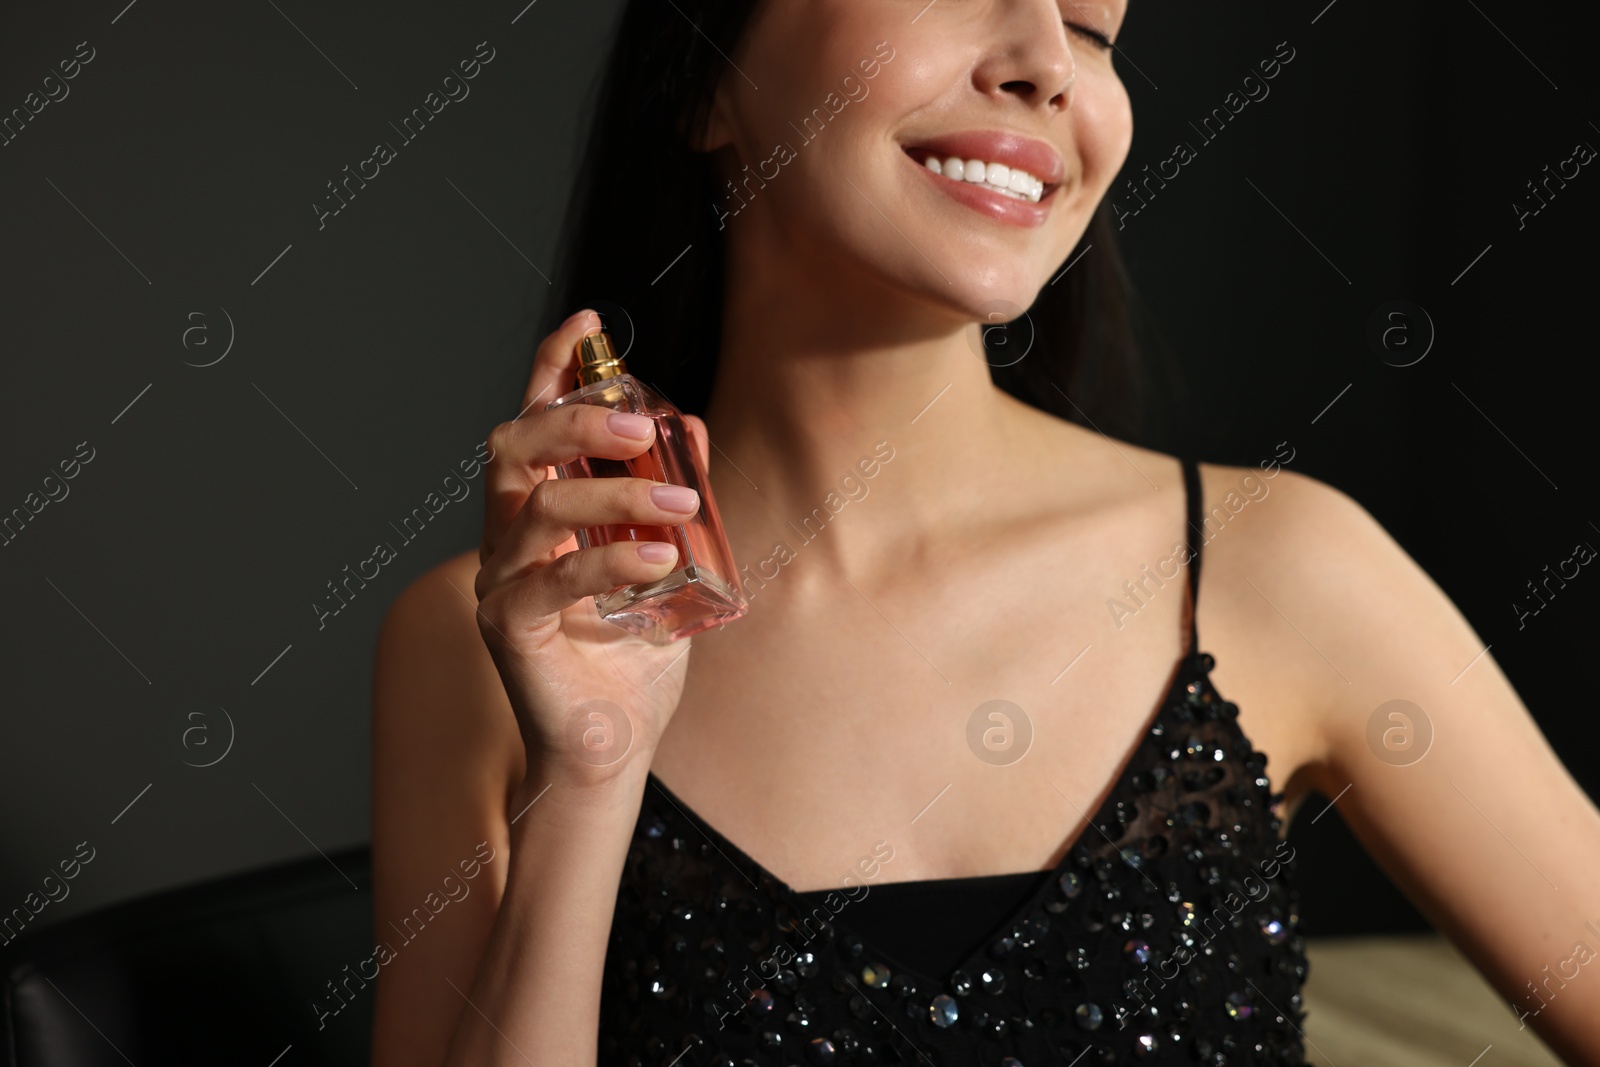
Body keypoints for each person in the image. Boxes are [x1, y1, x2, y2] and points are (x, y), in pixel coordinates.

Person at [367, 1, 1600, 1063]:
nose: (1045, 62)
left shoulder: (1279, 568)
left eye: (1092, 29)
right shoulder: (481, 642)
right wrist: (587, 779)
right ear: (701, 74)